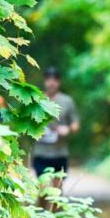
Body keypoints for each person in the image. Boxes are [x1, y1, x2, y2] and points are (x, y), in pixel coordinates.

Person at [32, 68, 80, 201]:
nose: (51, 83)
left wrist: (68, 129)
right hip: (41, 153)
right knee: (44, 189)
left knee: (56, 192)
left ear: (59, 82)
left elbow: (76, 124)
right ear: (44, 81)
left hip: (60, 153)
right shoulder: (37, 99)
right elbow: (26, 120)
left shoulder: (67, 101)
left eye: (55, 80)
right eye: (48, 79)